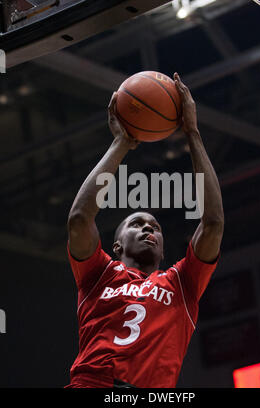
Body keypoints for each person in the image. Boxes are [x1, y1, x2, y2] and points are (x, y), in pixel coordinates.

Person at [65, 73, 224, 388]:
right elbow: (80, 219)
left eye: (155, 227)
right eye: (136, 224)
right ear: (117, 246)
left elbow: (213, 223)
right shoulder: (98, 275)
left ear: (164, 250)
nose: (148, 229)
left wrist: (192, 132)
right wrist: (122, 143)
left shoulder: (182, 283)